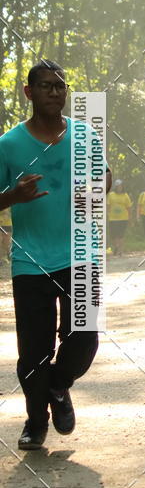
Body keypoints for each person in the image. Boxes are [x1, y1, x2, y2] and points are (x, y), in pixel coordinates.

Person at [0, 59, 112, 450]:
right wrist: (14, 196)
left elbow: (105, 176)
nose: (53, 91)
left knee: (85, 337)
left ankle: (59, 385)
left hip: (82, 253)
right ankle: (35, 423)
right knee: (33, 352)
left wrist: (96, 187)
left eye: (60, 86)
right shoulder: (8, 145)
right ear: (28, 92)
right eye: (45, 85)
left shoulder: (85, 134)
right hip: (30, 260)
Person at [107, 179, 132, 256]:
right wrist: (107, 214)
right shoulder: (111, 195)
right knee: (114, 235)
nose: (119, 188)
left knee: (121, 235)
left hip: (123, 218)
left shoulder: (125, 195)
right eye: (118, 186)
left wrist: (130, 217)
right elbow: (108, 206)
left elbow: (129, 207)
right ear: (115, 187)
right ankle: (116, 247)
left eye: (120, 186)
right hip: (113, 218)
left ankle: (120, 250)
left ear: (122, 187)